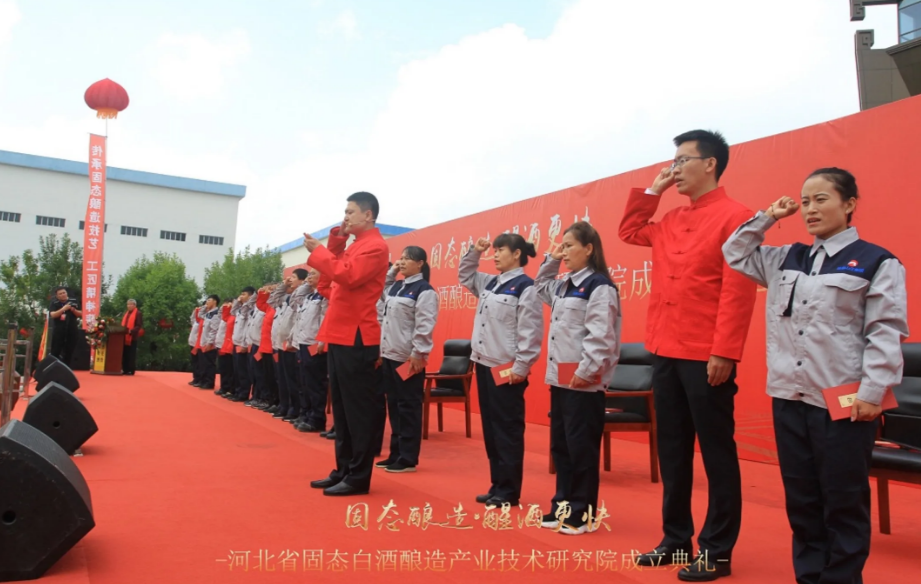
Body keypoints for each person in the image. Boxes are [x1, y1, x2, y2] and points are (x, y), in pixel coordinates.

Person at [722, 167, 909, 584]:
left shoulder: (877, 261)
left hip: (843, 402)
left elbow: (885, 331)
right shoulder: (786, 258)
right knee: (802, 499)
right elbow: (734, 252)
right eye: (805, 201)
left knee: (843, 500)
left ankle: (841, 578)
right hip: (789, 398)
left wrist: (873, 392)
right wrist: (769, 216)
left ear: (849, 204)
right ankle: (809, 577)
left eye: (821, 199)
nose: (810, 209)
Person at [618, 129, 757, 581]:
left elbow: (737, 291)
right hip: (664, 349)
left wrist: (725, 351)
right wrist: (653, 191)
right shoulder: (672, 218)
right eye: (673, 162)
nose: (674, 169)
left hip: (706, 354)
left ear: (710, 164)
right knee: (673, 450)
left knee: (717, 452)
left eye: (682, 161)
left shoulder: (737, 217)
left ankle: (717, 549)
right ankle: (676, 540)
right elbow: (629, 231)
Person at [533, 221, 620, 536]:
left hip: (584, 379)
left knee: (581, 448)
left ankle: (582, 513)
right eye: (562, 245)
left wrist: (586, 371)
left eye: (569, 245)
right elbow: (539, 285)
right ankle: (562, 505)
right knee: (562, 446)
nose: (564, 251)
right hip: (561, 376)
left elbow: (601, 335)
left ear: (589, 248)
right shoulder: (563, 285)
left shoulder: (599, 286)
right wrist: (552, 259)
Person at [303, 191, 390, 496]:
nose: (346, 216)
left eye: (351, 211)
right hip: (340, 334)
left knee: (358, 411)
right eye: (345, 211)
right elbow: (330, 280)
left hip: (357, 335)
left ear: (368, 215)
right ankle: (343, 469)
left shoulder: (376, 246)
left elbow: (348, 276)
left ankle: (358, 477)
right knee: (341, 410)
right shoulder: (356, 245)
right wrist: (337, 241)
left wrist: (319, 251)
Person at [459, 232, 543, 507]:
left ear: (517, 254)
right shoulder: (491, 282)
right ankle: (496, 484)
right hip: (484, 363)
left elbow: (531, 332)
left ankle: (508, 491)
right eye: (494, 250)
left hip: (507, 368)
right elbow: (465, 275)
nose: (494, 255)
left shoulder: (526, 287)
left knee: (507, 429)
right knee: (491, 428)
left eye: (500, 250)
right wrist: (475, 251)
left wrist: (521, 367)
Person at [374, 246, 439, 473]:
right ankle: (395, 453)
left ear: (420, 263)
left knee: (408, 407)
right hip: (389, 354)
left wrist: (418, 353)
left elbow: (425, 324)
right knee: (394, 405)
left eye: (407, 259)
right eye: (400, 258)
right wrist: (392, 271)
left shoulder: (424, 290)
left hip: (407, 358)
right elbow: (381, 289)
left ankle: (408, 457)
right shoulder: (397, 287)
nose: (401, 262)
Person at [290, 268, 331, 434]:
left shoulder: (324, 297)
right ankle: (306, 414)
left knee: (316, 383)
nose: (309, 277)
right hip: (303, 342)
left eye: (313, 274)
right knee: (304, 382)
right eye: (308, 274)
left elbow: (326, 319)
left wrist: (322, 341)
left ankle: (317, 418)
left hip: (315, 344)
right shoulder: (309, 297)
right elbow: (295, 298)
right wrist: (307, 284)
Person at [230, 287, 256, 403]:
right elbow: (232, 311)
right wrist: (237, 301)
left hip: (243, 344)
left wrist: (245, 345)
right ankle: (238, 391)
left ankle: (244, 393)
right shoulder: (240, 309)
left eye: (244, 294)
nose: (241, 296)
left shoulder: (249, 309)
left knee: (243, 371)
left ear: (251, 296)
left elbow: (246, 329)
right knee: (237, 370)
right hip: (236, 342)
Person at [48, 286, 82, 366]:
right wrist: (63, 309)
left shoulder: (73, 301)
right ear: (57, 296)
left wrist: (74, 310)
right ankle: (54, 367)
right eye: (60, 294)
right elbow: (53, 315)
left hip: (72, 329)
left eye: (64, 293)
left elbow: (81, 313)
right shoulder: (54, 303)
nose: (63, 294)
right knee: (55, 350)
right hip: (59, 330)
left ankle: (66, 367)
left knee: (69, 350)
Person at [198, 295, 221, 390]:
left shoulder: (216, 313)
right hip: (204, 341)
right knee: (204, 363)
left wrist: (210, 342)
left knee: (209, 363)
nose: (207, 302)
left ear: (215, 301)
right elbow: (199, 315)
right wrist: (205, 307)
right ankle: (204, 380)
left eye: (209, 300)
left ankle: (209, 382)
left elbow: (214, 330)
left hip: (210, 343)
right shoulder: (208, 313)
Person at [215, 298, 236, 397]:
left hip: (229, 345)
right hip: (221, 344)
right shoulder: (224, 317)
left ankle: (230, 388)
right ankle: (224, 387)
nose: (225, 306)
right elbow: (221, 313)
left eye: (227, 304)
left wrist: (233, 305)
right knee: (223, 368)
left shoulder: (233, 316)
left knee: (229, 369)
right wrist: (225, 307)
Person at [120, 299, 143, 375]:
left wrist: (131, 331)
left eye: (130, 304)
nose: (129, 306)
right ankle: (125, 369)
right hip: (124, 336)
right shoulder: (126, 313)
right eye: (128, 304)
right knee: (125, 353)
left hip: (132, 337)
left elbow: (138, 326)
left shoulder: (138, 313)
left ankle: (131, 370)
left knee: (131, 354)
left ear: (134, 305)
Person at [187, 305, 202, 386]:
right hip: (192, 344)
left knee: (199, 363)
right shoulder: (196, 322)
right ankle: (195, 378)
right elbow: (192, 319)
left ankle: (199, 379)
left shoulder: (202, 322)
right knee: (194, 362)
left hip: (198, 345)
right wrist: (194, 311)